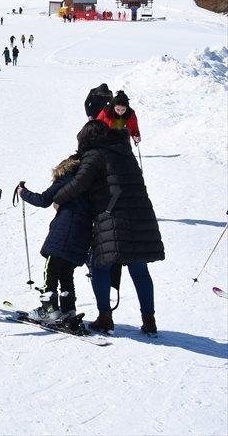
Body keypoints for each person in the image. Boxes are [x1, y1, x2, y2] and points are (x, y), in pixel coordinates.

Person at [49, 120, 164, 334]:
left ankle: (105, 317)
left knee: (100, 266)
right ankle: (149, 321)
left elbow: (78, 184)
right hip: (141, 215)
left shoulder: (95, 155)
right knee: (139, 269)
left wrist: (58, 198)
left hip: (113, 217)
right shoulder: (124, 151)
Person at [14, 155, 92, 331]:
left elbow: (43, 200)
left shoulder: (66, 178)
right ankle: (68, 310)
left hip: (63, 232)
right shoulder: (89, 182)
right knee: (66, 273)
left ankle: (48, 309)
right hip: (83, 234)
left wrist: (22, 192)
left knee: (51, 271)